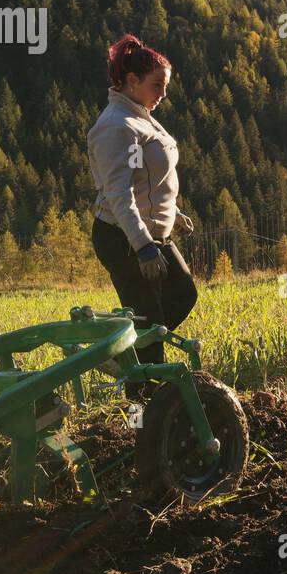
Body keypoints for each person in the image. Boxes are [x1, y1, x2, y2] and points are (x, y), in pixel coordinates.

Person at [87, 34, 198, 396]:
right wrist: (143, 247)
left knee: (182, 293)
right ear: (130, 81)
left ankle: (123, 356)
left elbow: (149, 180)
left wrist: (172, 213)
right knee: (150, 320)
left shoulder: (141, 116)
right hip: (124, 238)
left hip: (151, 234)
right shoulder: (115, 126)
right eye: (157, 85)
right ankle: (144, 404)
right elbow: (119, 195)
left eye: (165, 86)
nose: (162, 94)